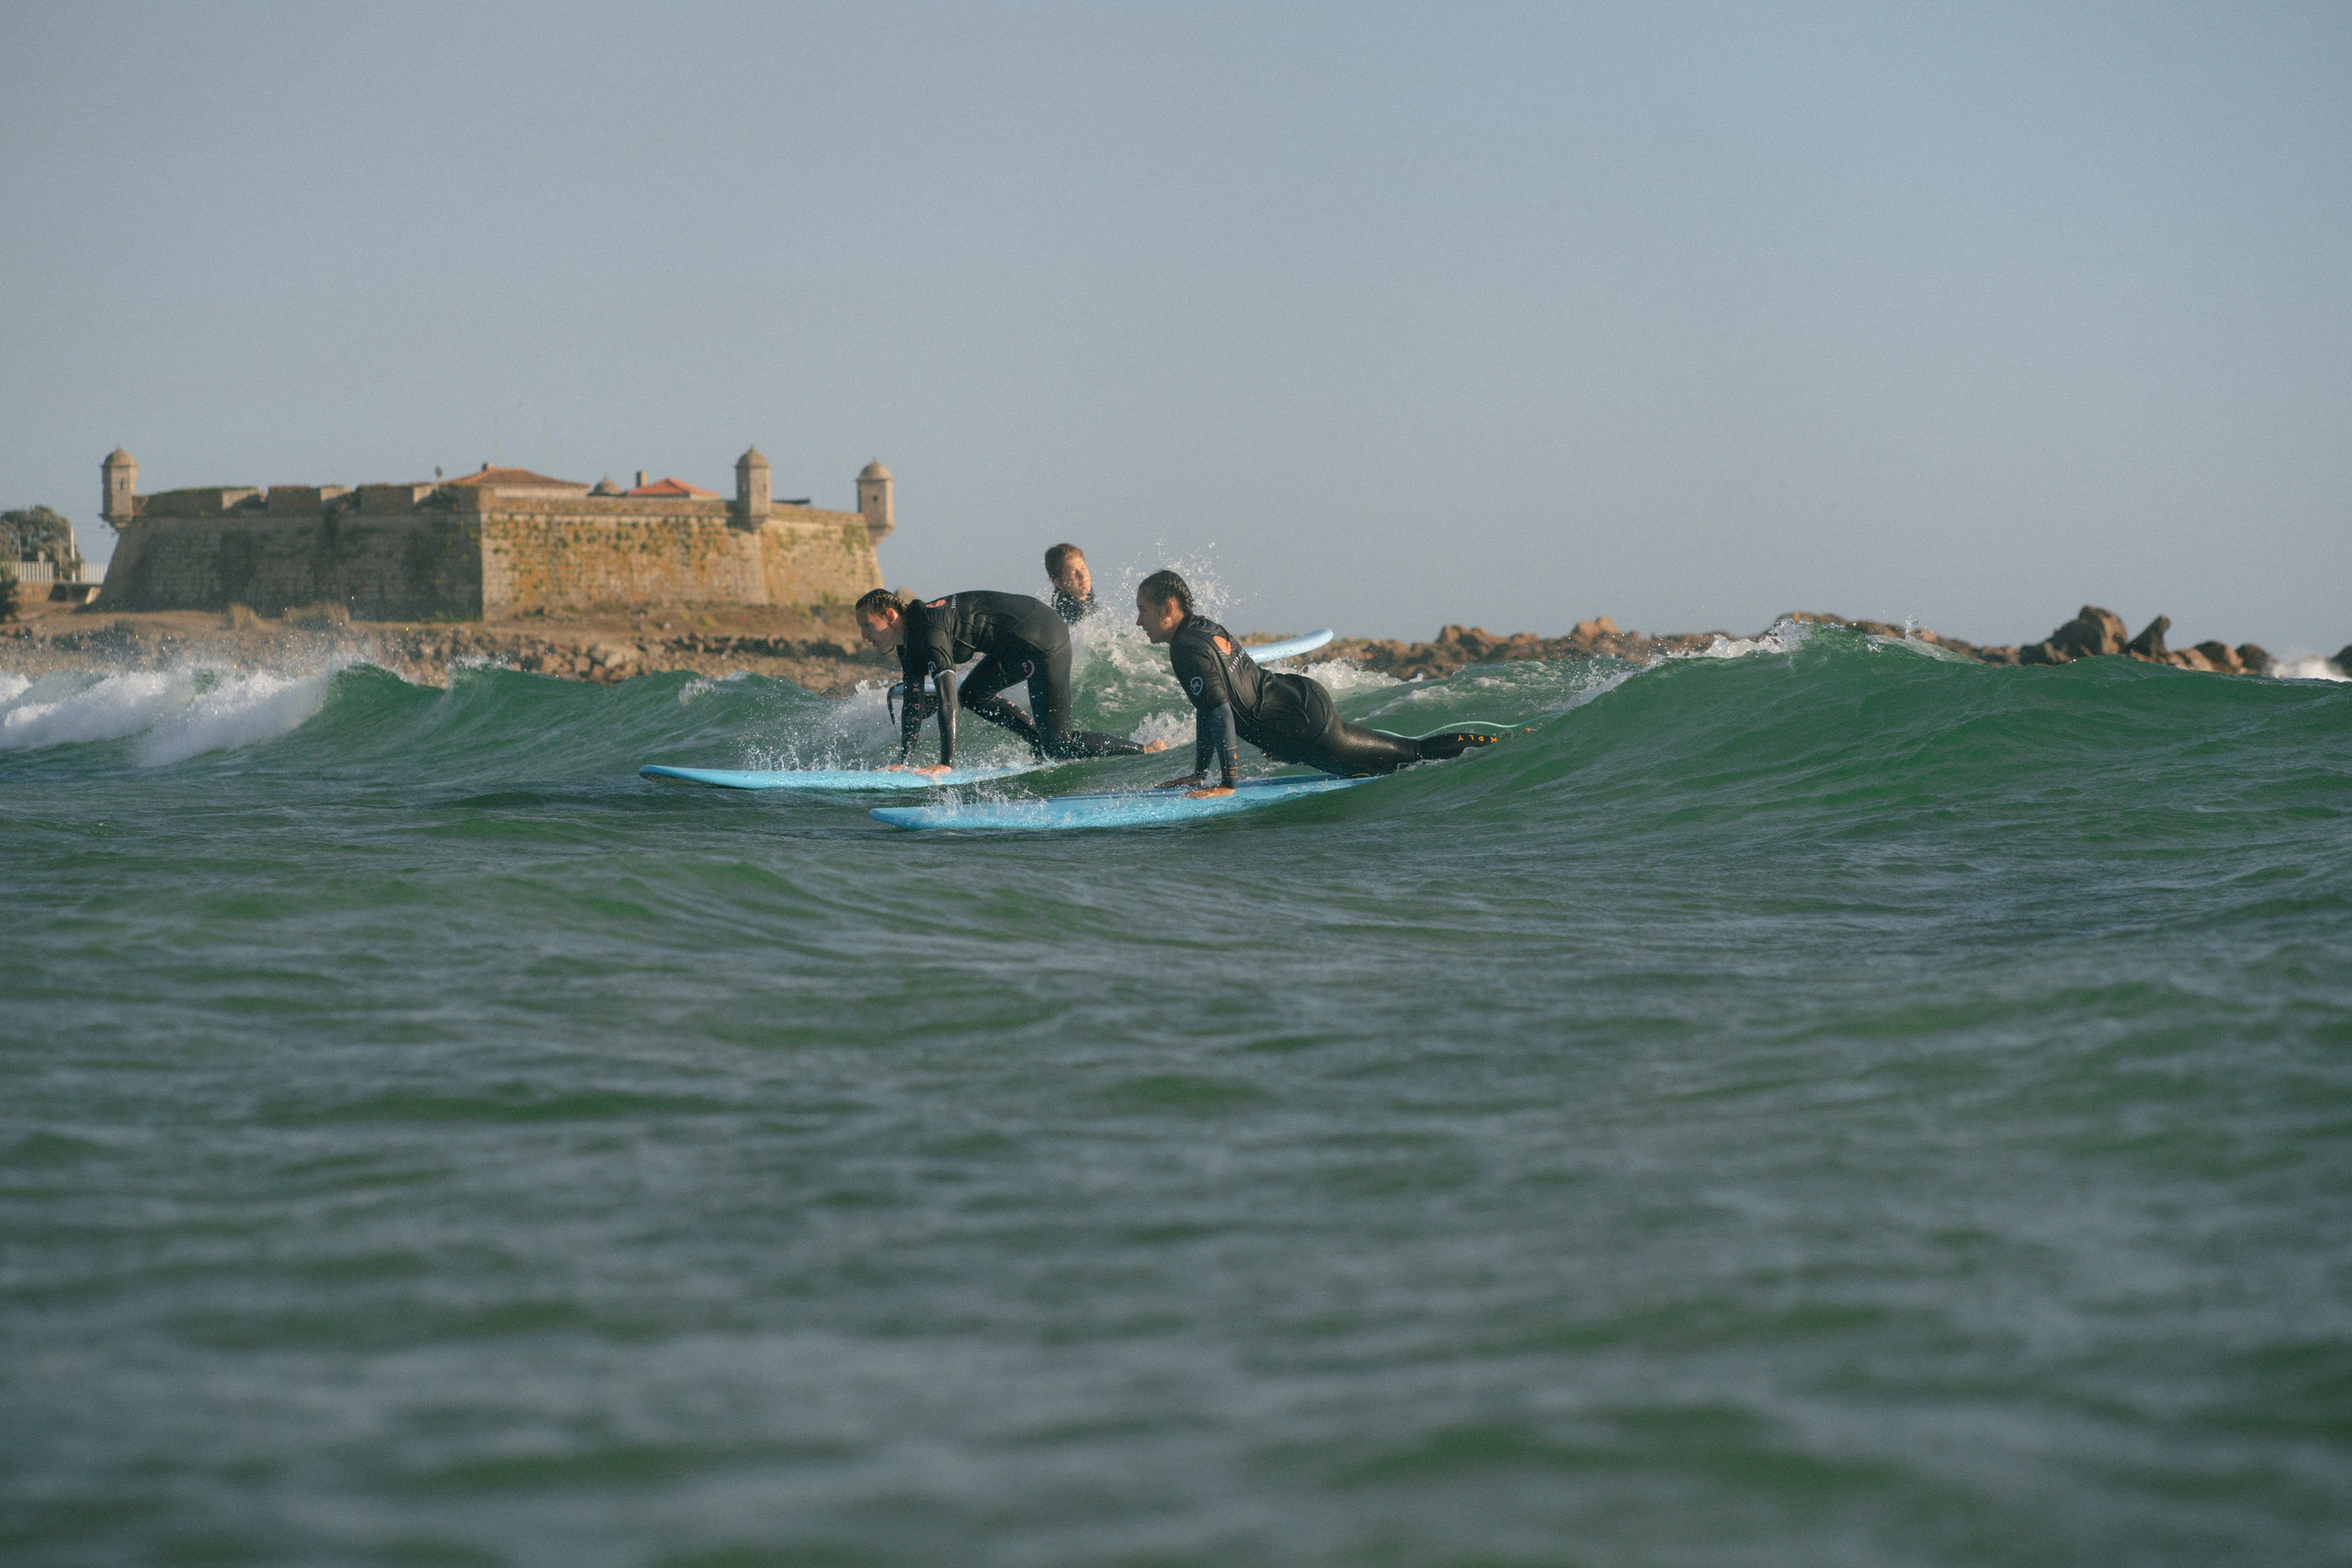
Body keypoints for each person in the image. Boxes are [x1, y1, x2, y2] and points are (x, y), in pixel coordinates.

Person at [1134, 569, 1499, 797]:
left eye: (1144, 611)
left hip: (1305, 726)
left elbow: (1220, 712)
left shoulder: (1185, 649)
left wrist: (1228, 784)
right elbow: (1208, 706)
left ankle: (1498, 747)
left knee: (1409, 756)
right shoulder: (1203, 627)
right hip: (1297, 700)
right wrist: (1200, 773)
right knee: (1394, 757)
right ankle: (1494, 747)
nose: (1139, 622)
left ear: (1168, 607)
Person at [856, 587, 1165, 774]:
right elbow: (912, 700)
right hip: (1012, 646)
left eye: (867, 625)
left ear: (891, 615)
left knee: (1060, 744)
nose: (863, 636)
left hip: (1042, 636)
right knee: (974, 694)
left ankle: (1146, 749)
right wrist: (905, 760)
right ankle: (1038, 745)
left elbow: (947, 699)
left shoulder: (930, 629)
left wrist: (945, 763)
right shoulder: (908, 646)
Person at [1045, 543, 1097, 624]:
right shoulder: (1069, 611)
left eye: (1083, 568)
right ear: (1059, 583)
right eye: (1073, 573)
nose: (1083, 576)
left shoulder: (1084, 589)